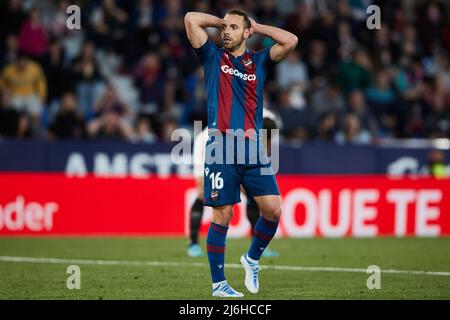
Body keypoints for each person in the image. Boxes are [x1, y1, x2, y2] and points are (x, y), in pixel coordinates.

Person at [184, 9, 297, 297]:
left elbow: (291, 40)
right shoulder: (212, 57)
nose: (226, 31)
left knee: (272, 210)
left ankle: (251, 259)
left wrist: (258, 26)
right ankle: (219, 284)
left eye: (234, 27)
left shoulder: (258, 61)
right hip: (220, 146)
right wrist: (221, 22)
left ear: (247, 33)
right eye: (225, 27)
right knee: (223, 214)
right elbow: (190, 19)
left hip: (252, 147)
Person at [188, 109, 281, 258]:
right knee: (202, 192)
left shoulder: (269, 118)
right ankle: (193, 243)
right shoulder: (239, 115)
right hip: (210, 143)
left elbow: (266, 145)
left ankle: (257, 244)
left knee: (254, 193)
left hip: (239, 148)